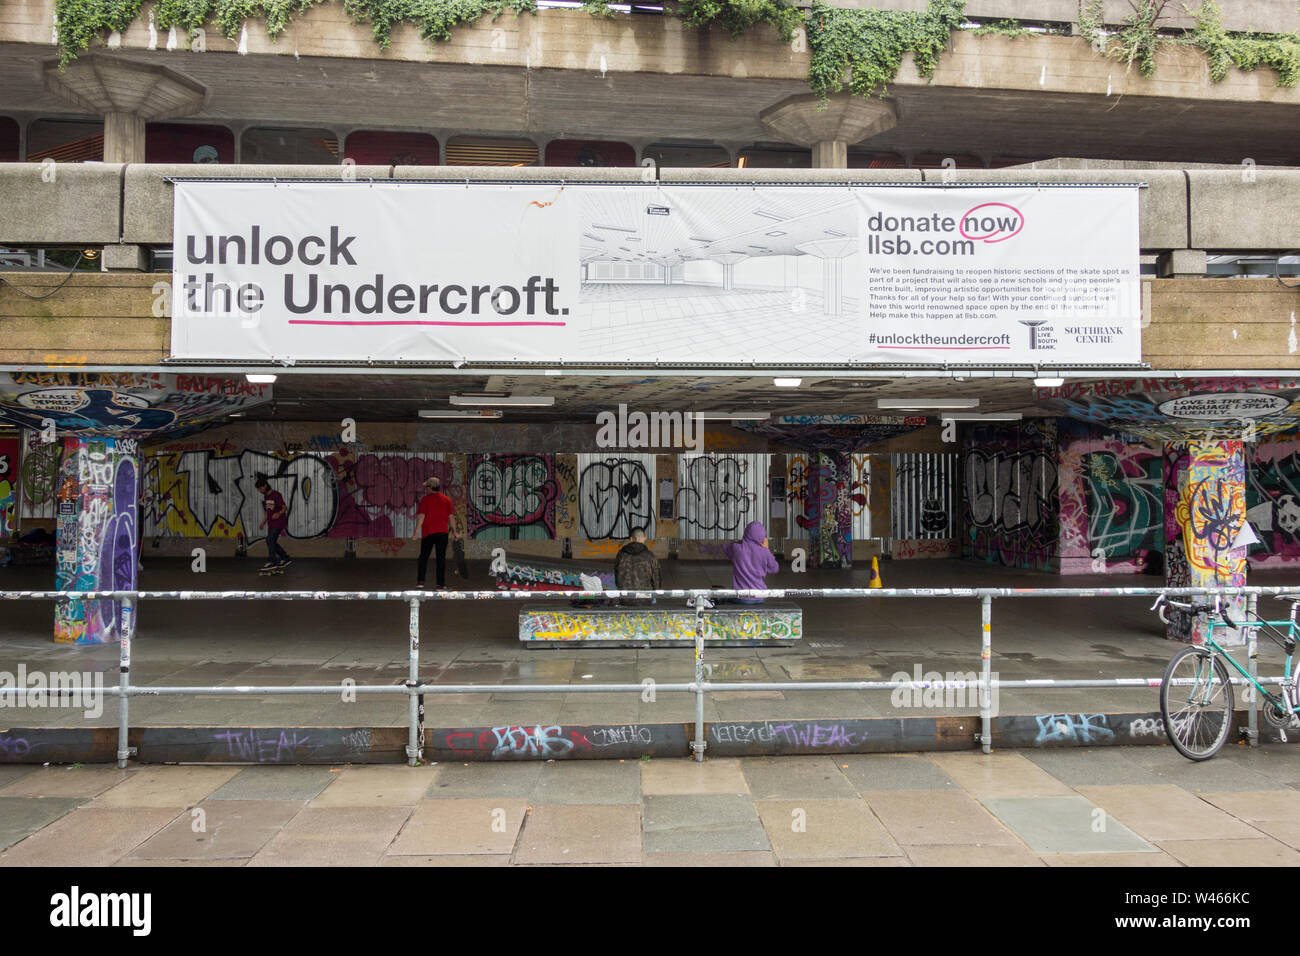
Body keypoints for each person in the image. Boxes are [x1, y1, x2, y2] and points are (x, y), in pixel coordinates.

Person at [413, 476, 454, 588]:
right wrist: (455, 532)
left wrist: (416, 531)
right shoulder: (447, 500)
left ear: (431, 488)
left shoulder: (425, 500)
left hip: (428, 532)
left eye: (427, 487)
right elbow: (451, 518)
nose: (426, 489)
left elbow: (421, 516)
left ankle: (420, 582)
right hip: (442, 533)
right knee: (441, 559)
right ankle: (440, 584)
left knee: (423, 557)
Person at [723, 520, 779, 604]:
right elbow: (775, 568)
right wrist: (767, 549)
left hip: (741, 597)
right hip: (760, 597)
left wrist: (742, 542)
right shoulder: (765, 552)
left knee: (724, 599)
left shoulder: (736, 548)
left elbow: (725, 548)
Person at [614, 526, 660, 606]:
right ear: (644, 538)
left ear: (631, 539)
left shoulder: (621, 555)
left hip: (625, 599)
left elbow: (617, 578)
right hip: (646, 599)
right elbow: (657, 580)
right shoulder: (650, 556)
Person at [254, 475, 291, 571]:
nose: (260, 491)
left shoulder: (276, 495)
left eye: (260, 489)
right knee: (270, 541)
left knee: (270, 540)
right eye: (258, 490)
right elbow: (268, 511)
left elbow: (284, 508)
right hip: (271, 523)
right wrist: (262, 523)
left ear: (265, 486)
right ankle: (285, 557)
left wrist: (278, 513)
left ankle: (272, 561)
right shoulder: (266, 496)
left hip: (278, 522)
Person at [450, 512, 469, 580]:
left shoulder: (459, 540)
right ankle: (460, 574)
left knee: (460, 563)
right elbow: (455, 548)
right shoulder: (456, 541)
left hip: (460, 553)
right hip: (458, 553)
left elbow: (459, 548)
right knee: (458, 564)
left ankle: (463, 575)